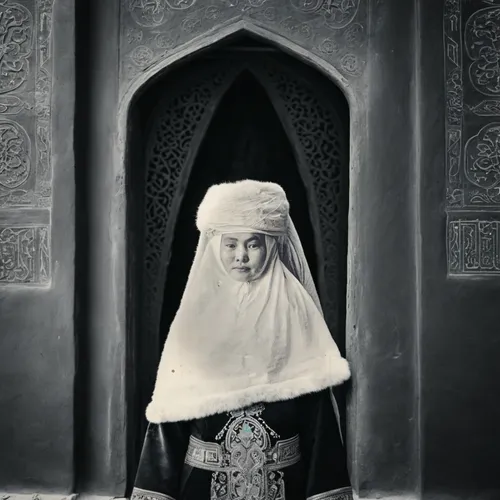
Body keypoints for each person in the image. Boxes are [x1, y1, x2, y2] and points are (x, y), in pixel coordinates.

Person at [132, 179, 353, 500]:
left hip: (285, 485)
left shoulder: (294, 308)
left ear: (272, 245)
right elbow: (168, 421)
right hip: (201, 488)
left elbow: (319, 425)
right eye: (231, 244)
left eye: (253, 244)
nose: (241, 256)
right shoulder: (197, 315)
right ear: (215, 246)